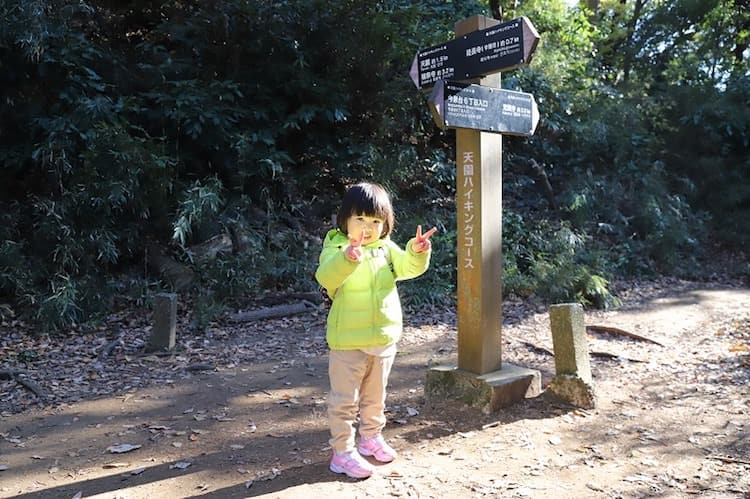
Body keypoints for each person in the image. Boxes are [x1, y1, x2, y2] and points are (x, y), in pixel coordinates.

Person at [314, 182, 437, 479]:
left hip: (382, 338)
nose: (367, 228)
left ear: (385, 225)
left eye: (375, 221)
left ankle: (370, 438)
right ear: (345, 220)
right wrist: (348, 258)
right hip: (348, 341)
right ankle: (342, 453)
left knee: (375, 396)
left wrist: (417, 252)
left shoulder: (386, 249)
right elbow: (325, 276)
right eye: (360, 219)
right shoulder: (336, 247)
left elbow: (407, 268)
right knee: (344, 400)